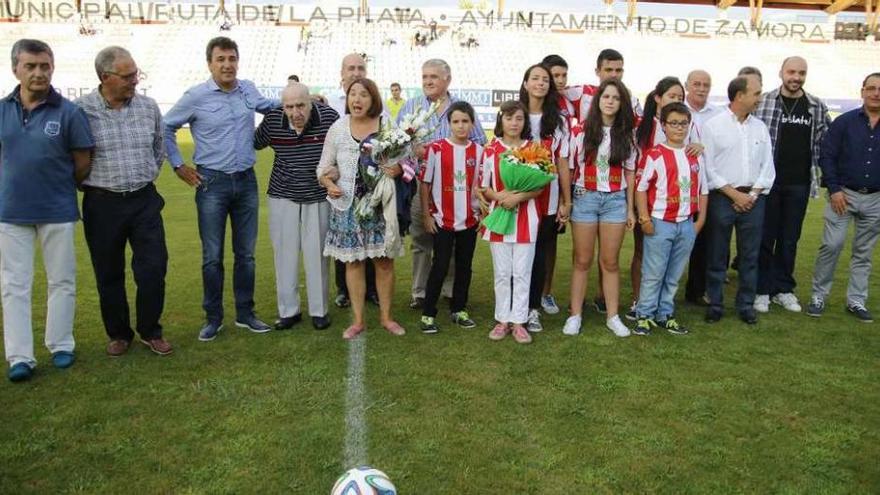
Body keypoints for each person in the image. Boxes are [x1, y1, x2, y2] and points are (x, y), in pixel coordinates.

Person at [164, 36, 279, 341]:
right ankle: (213, 318)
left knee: (247, 255)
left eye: (232, 59)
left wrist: (304, 99)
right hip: (211, 183)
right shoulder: (196, 96)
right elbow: (166, 126)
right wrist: (178, 165)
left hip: (246, 181)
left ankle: (245, 314)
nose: (227, 65)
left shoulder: (247, 89)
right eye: (221, 59)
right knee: (212, 256)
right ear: (210, 64)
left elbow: (269, 106)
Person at [0, 39, 93, 382]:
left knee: (62, 280)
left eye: (44, 66)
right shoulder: (2, 109)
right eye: (31, 66)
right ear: (16, 70)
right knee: (14, 285)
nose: (39, 73)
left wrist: (57, 186)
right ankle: (20, 357)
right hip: (11, 212)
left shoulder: (69, 112)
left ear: (52, 68)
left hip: (57, 209)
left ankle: (61, 344)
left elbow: (82, 163)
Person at [76, 46, 172, 357]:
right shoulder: (81, 111)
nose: (135, 81)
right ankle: (119, 333)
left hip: (144, 199)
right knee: (108, 271)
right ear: (106, 77)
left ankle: (150, 330)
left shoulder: (148, 107)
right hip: (102, 203)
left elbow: (159, 147)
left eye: (135, 74)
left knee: (154, 268)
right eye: (128, 76)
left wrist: (143, 177)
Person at [317, 77, 407, 339]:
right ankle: (357, 321)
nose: (357, 99)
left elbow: (407, 159)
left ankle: (387, 318)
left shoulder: (386, 124)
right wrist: (327, 181)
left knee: (384, 262)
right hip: (346, 207)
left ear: (374, 99)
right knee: (353, 263)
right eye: (353, 94)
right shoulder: (338, 128)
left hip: (379, 205)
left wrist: (399, 168)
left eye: (363, 95)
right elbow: (323, 167)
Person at [398, 58, 487, 310]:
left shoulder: (461, 108)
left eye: (433, 77)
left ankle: (448, 289)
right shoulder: (411, 107)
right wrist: (413, 150)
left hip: (457, 188)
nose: (427, 81)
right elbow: (396, 145)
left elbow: (480, 142)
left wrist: (453, 151)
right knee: (422, 239)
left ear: (447, 79)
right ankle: (420, 291)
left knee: (454, 238)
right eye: (424, 76)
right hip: (421, 185)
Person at [254, 82, 339, 331]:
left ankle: (319, 310)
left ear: (311, 102)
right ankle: (288, 311)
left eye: (300, 105)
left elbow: (343, 150)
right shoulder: (272, 121)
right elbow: (254, 143)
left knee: (317, 254)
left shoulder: (329, 118)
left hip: (317, 193)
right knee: (284, 254)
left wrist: (335, 170)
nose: (295, 113)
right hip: (282, 194)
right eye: (289, 107)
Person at [753, 56, 831, 314]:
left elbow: (823, 146)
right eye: (791, 72)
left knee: (789, 239)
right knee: (765, 238)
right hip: (767, 183)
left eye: (801, 73)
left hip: (799, 184)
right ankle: (761, 289)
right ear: (781, 73)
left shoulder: (816, 106)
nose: (796, 77)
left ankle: (783, 289)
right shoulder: (763, 101)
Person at [563, 79, 637, 338]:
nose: (610, 101)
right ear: (598, 100)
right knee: (582, 260)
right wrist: (567, 201)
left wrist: (630, 209)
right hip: (585, 197)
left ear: (621, 103)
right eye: (606, 96)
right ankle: (575, 315)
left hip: (615, 201)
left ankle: (613, 317)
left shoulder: (627, 133)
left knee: (610, 261)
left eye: (616, 98)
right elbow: (570, 168)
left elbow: (630, 171)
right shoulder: (580, 131)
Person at [805, 72, 880, 323]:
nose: (876, 93)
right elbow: (827, 156)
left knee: (863, 252)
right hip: (843, 195)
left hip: (875, 199)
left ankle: (856, 300)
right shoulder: (845, 122)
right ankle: (818, 295)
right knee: (831, 245)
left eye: (879, 89)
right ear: (862, 91)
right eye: (871, 88)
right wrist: (834, 189)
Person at [702, 74, 775, 325]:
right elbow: (708, 167)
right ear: (740, 95)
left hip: (754, 200)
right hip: (723, 197)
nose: (760, 98)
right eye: (756, 93)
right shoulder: (713, 125)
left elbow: (768, 166)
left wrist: (752, 195)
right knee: (717, 253)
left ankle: (745, 305)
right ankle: (715, 304)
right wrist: (734, 194)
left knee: (750, 255)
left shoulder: (760, 127)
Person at [629, 77, 704, 319]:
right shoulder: (646, 135)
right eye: (672, 96)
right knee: (649, 263)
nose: (679, 127)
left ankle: (663, 313)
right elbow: (640, 184)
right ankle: (642, 309)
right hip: (655, 214)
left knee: (672, 272)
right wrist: (643, 216)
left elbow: (703, 188)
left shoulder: (694, 152)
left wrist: (698, 222)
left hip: (683, 221)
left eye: (680, 98)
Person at [477, 100, 543, 344]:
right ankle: (502, 319)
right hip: (499, 219)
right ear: (500, 121)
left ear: (525, 122)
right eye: (509, 118)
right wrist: (499, 197)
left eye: (519, 118)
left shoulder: (534, 149)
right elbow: (484, 186)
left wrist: (517, 197)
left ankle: (519, 321)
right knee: (503, 273)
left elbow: (540, 185)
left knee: (522, 272)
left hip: (527, 218)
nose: (514, 123)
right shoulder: (491, 150)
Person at [418, 101, 482, 334]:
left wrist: (481, 212)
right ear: (449, 124)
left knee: (465, 266)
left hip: (469, 220)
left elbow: (481, 186)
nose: (461, 126)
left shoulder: (479, 151)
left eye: (465, 121)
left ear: (472, 124)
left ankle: (459, 309)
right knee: (441, 265)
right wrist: (427, 215)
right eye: (456, 121)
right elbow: (425, 184)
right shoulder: (436, 149)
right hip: (442, 220)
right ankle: (428, 313)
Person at [519, 63, 572, 334]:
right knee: (517, 254)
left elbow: (562, 161)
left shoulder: (559, 120)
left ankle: (532, 310)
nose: (540, 83)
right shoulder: (514, 114)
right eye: (535, 78)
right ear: (526, 83)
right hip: (517, 197)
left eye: (545, 80)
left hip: (547, 199)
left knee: (539, 255)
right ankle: (512, 309)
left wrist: (566, 199)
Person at [326, 53, 378, 308]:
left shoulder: (373, 104)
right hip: (341, 182)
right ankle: (343, 290)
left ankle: (369, 290)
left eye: (360, 68)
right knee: (345, 240)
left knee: (370, 239)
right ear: (342, 72)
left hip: (370, 186)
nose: (356, 72)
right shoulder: (329, 103)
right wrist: (330, 175)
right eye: (351, 68)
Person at [683, 69, 722, 306]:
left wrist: (703, 146)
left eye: (706, 84)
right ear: (687, 85)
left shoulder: (717, 115)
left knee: (704, 241)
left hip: (706, 185)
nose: (701, 88)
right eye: (696, 84)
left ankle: (696, 291)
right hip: (679, 187)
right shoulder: (677, 110)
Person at [562, 48, 643, 125]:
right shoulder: (581, 93)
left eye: (618, 70)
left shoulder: (632, 101)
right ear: (597, 71)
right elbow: (554, 92)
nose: (614, 75)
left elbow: (641, 131)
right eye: (609, 70)